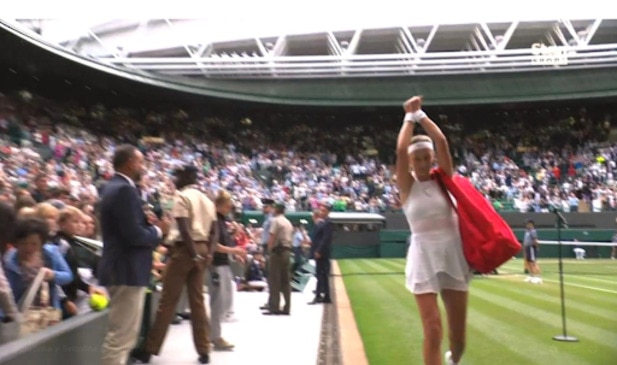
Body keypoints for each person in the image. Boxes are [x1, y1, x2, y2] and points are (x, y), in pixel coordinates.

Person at [396, 96, 471, 365]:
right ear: (410, 162)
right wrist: (408, 117)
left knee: (458, 339)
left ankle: (455, 359)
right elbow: (401, 147)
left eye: (427, 157)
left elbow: (441, 142)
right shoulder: (406, 185)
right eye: (417, 158)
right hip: (423, 258)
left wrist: (421, 115)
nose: (424, 161)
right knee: (433, 329)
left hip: (453, 255)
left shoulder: (444, 178)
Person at [133, 165, 216, 364]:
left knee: (167, 301)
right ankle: (204, 350)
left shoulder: (182, 196)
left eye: (177, 175)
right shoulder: (206, 199)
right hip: (203, 248)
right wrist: (208, 253)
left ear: (187, 176)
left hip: (185, 250)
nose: (174, 179)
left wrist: (193, 254)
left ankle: (149, 349)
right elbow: (215, 232)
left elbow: (184, 229)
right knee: (197, 302)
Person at [99, 144, 170, 365]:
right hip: (126, 269)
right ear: (130, 163)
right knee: (120, 337)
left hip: (123, 267)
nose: (143, 167)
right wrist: (159, 230)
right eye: (141, 162)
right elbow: (134, 236)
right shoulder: (124, 190)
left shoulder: (115, 187)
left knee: (124, 337)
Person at [208, 190, 245, 350]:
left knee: (224, 302)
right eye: (228, 206)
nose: (230, 209)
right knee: (218, 302)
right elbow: (214, 246)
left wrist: (234, 253)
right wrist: (234, 251)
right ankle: (215, 336)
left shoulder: (221, 220)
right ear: (220, 205)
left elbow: (224, 241)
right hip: (216, 264)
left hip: (223, 263)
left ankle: (214, 334)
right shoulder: (214, 220)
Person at [262, 202, 293, 315]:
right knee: (286, 281)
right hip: (287, 250)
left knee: (274, 280)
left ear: (277, 210)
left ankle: (274, 307)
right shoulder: (288, 222)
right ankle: (287, 307)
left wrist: (269, 251)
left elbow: (272, 237)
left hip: (277, 251)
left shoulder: (276, 220)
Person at [309, 204, 333, 304]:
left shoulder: (327, 223)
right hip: (320, 252)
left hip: (322, 253)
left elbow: (325, 239)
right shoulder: (323, 223)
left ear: (327, 211)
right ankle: (325, 296)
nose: (321, 212)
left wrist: (319, 250)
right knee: (321, 274)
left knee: (321, 274)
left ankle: (319, 295)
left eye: (323, 211)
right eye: (320, 210)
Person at [523, 219, 542, 284]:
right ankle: (531, 275)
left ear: (531, 224)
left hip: (531, 248)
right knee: (528, 262)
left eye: (527, 224)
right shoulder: (527, 231)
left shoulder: (533, 231)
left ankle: (538, 277)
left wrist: (536, 247)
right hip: (528, 247)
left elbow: (535, 240)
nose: (526, 225)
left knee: (533, 262)